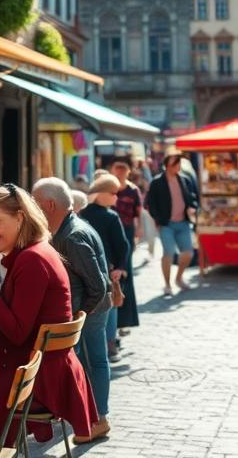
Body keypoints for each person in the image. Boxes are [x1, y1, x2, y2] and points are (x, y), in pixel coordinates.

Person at [0, 184, 97, 446]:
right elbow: (6, 324)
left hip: (31, 382)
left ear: (20, 218)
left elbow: (15, 333)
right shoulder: (31, 253)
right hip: (29, 370)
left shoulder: (31, 260)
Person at [32, 177, 112, 444]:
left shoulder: (73, 235)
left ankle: (96, 420)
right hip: (91, 309)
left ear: (50, 204)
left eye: (35, 202)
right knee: (92, 363)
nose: (31, 208)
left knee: (92, 364)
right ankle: (93, 418)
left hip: (89, 311)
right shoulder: (69, 229)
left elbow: (97, 286)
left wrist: (80, 316)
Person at [80, 173, 130, 363]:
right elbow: (122, 245)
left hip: (88, 269)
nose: (116, 197)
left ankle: (97, 348)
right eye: (113, 193)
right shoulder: (111, 216)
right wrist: (120, 267)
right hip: (108, 270)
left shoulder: (82, 214)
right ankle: (110, 346)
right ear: (101, 194)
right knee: (110, 309)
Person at [146, 148, 198, 295]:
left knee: (188, 253)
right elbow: (150, 203)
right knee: (168, 253)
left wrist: (192, 207)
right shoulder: (157, 183)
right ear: (167, 165)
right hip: (166, 224)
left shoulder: (184, 180)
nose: (178, 166)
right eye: (176, 163)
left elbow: (192, 198)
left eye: (179, 163)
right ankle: (167, 284)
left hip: (183, 222)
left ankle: (179, 278)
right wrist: (158, 219)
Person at [109, 161, 141, 330]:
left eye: (123, 171)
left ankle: (125, 320)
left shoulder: (133, 190)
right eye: (117, 170)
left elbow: (138, 213)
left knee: (125, 273)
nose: (120, 173)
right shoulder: (109, 188)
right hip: (110, 231)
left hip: (126, 232)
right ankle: (115, 321)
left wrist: (138, 231)